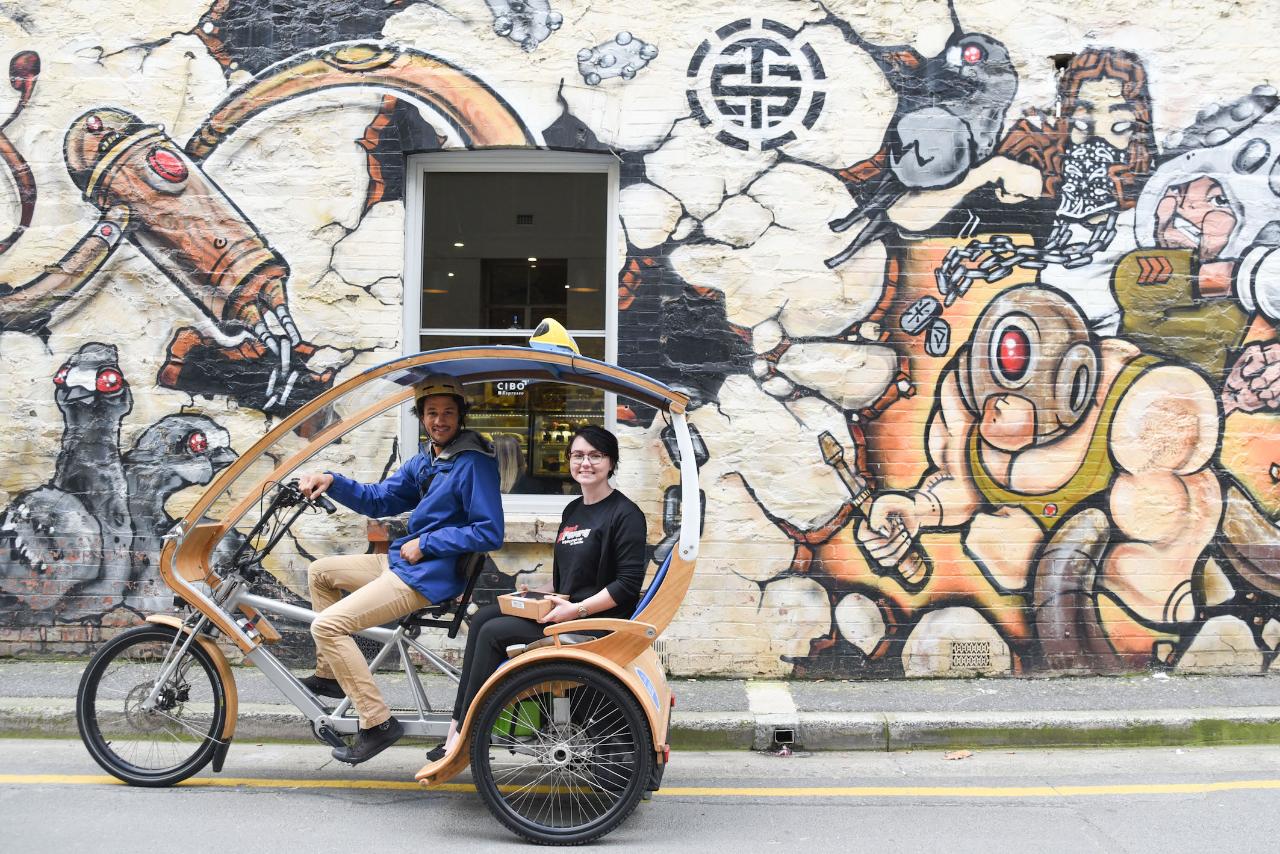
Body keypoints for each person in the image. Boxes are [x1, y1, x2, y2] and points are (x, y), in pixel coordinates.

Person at [296, 373, 504, 764]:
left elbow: (489, 531)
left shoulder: (473, 463)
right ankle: (331, 676)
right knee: (321, 572)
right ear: (421, 417)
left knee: (327, 626)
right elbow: (380, 499)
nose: (439, 420)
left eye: (447, 413)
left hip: (429, 574)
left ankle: (376, 723)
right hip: (403, 563)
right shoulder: (428, 460)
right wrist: (331, 479)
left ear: (461, 416)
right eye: (431, 413)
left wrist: (427, 543)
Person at [428, 424, 646, 761]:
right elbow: (566, 580)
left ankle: (467, 733)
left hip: (596, 622)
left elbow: (627, 585)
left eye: (595, 456)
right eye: (577, 455)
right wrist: (535, 592)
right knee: (484, 616)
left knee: (492, 633)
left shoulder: (626, 514)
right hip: (565, 611)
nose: (585, 463)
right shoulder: (573, 510)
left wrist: (577, 610)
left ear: (611, 462)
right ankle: (457, 724)